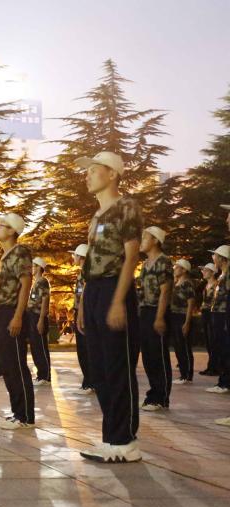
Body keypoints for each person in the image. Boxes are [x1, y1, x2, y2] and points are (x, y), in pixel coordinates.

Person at [75, 152, 143, 463]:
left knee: (118, 367)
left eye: (93, 170)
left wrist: (118, 301)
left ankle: (125, 442)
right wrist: (82, 304)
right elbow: (90, 263)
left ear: (112, 174)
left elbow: (131, 256)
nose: (87, 175)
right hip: (94, 292)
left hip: (115, 288)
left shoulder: (126, 207)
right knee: (99, 369)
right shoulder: (96, 216)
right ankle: (111, 437)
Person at [0, 212, 36, 430]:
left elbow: (26, 284)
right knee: (7, 364)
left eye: (2, 225)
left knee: (17, 364)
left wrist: (18, 316)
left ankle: (25, 416)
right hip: (3, 312)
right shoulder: (6, 255)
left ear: (12, 231)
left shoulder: (20, 252)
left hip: (13, 312)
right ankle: (18, 412)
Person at [138, 227, 173, 411]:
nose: (141, 241)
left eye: (145, 237)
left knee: (158, 355)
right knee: (148, 355)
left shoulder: (164, 261)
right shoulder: (145, 264)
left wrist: (159, 317)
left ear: (155, 241)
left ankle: (161, 397)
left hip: (157, 311)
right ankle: (153, 394)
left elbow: (165, 291)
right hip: (144, 311)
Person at [69, 244, 96, 394]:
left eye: (75, 255)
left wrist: (81, 314)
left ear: (80, 256)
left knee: (86, 350)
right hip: (80, 312)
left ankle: (90, 383)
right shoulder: (83, 272)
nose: (73, 257)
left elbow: (85, 294)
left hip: (84, 314)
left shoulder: (86, 271)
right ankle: (89, 382)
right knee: (83, 350)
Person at [206, 245, 230, 394]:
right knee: (220, 348)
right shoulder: (222, 275)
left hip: (224, 315)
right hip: (218, 314)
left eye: (215, 255)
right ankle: (223, 380)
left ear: (222, 258)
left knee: (225, 349)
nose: (213, 258)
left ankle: (225, 383)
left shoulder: (228, 276)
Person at [169, 259, 196, 386]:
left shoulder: (187, 283)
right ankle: (183, 373)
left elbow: (191, 303)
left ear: (184, 270)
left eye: (177, 267)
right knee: (178, 347)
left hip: (182, 317)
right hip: (174, 316)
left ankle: (187, 375)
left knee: (184, 347)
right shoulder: (176, 282)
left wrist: (187, 322)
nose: (174, 268)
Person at [27, 257, 52, 385]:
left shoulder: (42, 281)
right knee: (35, 347)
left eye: (33, 266)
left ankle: (45, 376)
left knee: (41, 347)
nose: (31, 268)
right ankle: (40, 375)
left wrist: (41, 319)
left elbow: (45, 300)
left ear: (38, 267)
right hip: (32, 316)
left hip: (38, 316)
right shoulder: (35, 282)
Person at [200, 263, 219, 376]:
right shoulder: (206, 285)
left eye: (206, 270)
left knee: (213, 340)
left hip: (212, 313)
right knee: (208, 340)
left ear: (212, 272)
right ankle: (211, 366)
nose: (203, 272)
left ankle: (215, 367)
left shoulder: (216, 285)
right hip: (205, 313)